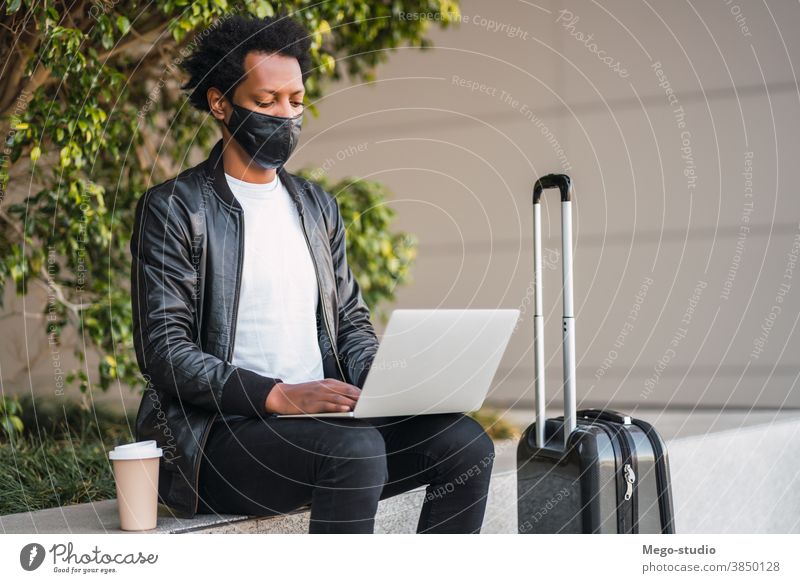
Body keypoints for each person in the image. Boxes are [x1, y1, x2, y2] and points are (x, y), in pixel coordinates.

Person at [130, 11, 495, 534]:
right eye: (265, 102)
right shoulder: (175, 208)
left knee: (466, 445)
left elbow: (348, 322)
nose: (285, 115)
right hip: (220, 437)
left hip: (323, 428)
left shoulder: (316, 207)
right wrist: (276, 395)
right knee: (356, 451)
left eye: (296, 102)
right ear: (220, 103)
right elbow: (165, 350)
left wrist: (386, 384)